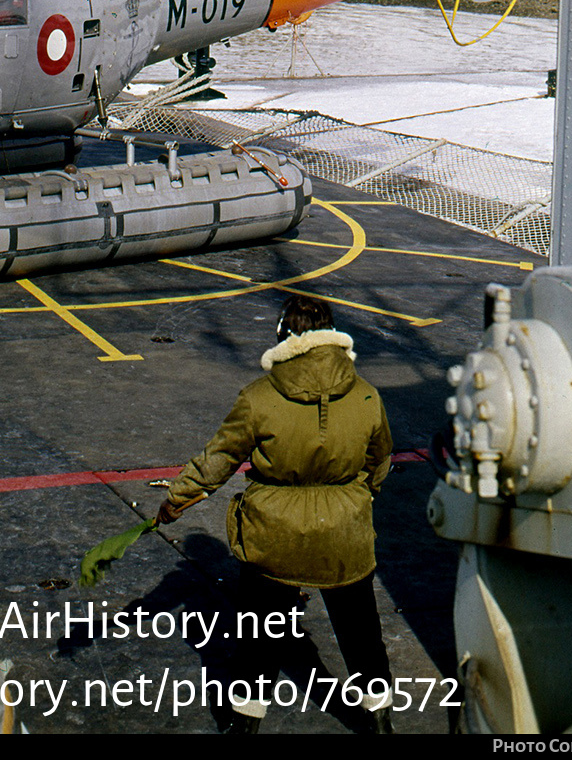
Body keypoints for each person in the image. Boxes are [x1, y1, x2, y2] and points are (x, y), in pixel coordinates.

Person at [155, 293, 396, 734]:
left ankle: (245, 723)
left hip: (275, 536)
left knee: (260, 635)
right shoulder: (366, 395)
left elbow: (219, 459)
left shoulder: (259, 398)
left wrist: (176, 499)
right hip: (345, 530)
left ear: (284, 338)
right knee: (360, 630)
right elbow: (379, 461)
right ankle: (378, 718)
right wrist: (355, 500)